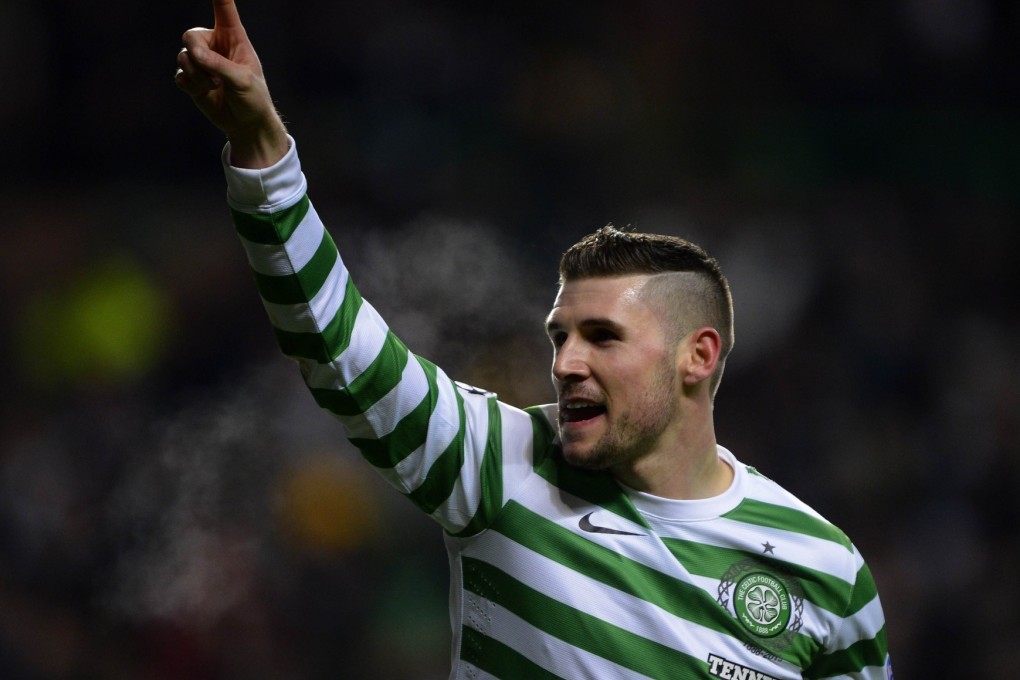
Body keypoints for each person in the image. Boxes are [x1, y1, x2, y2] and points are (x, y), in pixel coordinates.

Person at [175, 2, 892, 677]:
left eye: (603, 338)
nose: (566, 363)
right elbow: (338, 345)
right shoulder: (502, 466)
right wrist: (265, 152)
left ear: (696, 357)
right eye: (561, 337)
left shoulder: (825, 573)